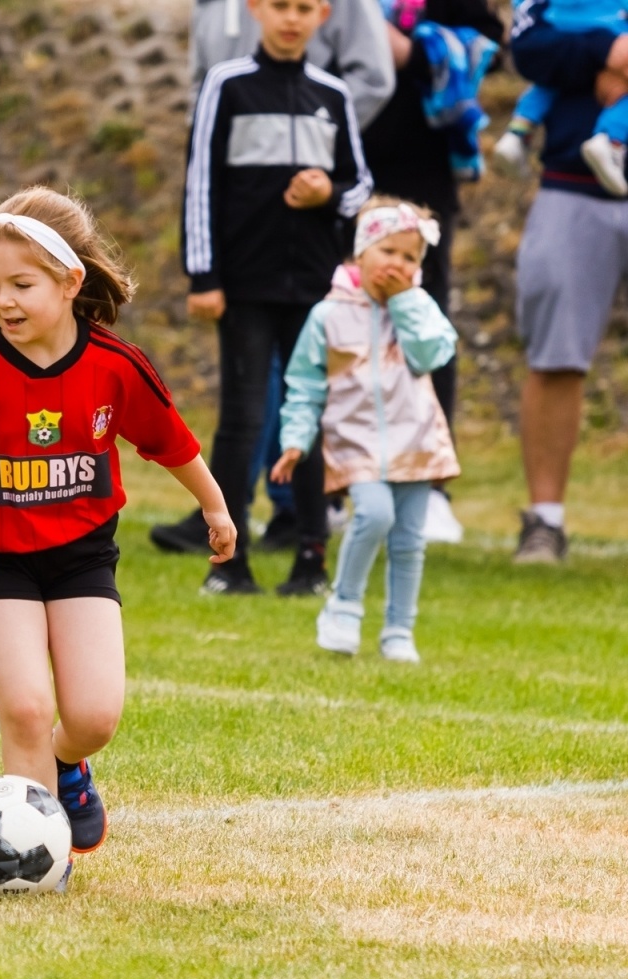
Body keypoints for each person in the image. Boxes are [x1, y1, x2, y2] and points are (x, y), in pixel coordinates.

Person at [0, 188, 234, 854]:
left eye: (21, 284)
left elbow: (169, 441)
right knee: (25, 709)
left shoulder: (117, 366)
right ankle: (35, 856)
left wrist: (214, 504)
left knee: (91, 717)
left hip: (82, 556)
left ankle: (69, 763)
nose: (3, 301)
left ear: (69, 281)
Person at [164, 0, 372, 596]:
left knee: (309, 418)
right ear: (257, 10)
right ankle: (230, 564)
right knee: (244, 418)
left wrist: (327, 191)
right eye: (280, 6)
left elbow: (360, 186)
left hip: (313, 287)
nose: (292, 19)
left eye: (304, 8)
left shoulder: (333, 93)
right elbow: (200, 181)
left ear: (323, 15)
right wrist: (203, 275)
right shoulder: (225, 85)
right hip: (245, 286)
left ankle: (311, 561)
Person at [272, 198, 459, 662]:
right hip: (356, 441)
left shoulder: (418, 308)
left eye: (410, 257)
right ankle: (344, 606)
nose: (398, 264)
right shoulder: (328, 315)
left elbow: (431, 355)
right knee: (374, 514)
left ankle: (399, 630)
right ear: (361, 252)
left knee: (410, 539)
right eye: (388, 251)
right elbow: (304, 384)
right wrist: (296, 440)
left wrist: (406, 303)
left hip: (416, 440)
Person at [366, 0, 503, 546]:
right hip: (344, 170)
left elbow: (491, 45)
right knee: (343, 323)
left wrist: (414, 48)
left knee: (424, 325)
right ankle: (338, 488)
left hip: (424, 177)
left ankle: (432, 488)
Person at [509, 1, 628, 562]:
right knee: (556, 356)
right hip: (573, 184)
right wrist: (607, 53)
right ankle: (544, 521)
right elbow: (529, 45)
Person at [191, 0, 397, 129]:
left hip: (308, 175)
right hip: (231, 174)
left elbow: (373, 78)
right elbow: (199, 83)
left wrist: (315, 129)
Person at [497, 2, 628, 196]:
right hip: (567, 179)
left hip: (563, 21)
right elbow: (527, 46)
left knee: (547, 85)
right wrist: (606, 50)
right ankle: (611, 140)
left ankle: (519, 130)